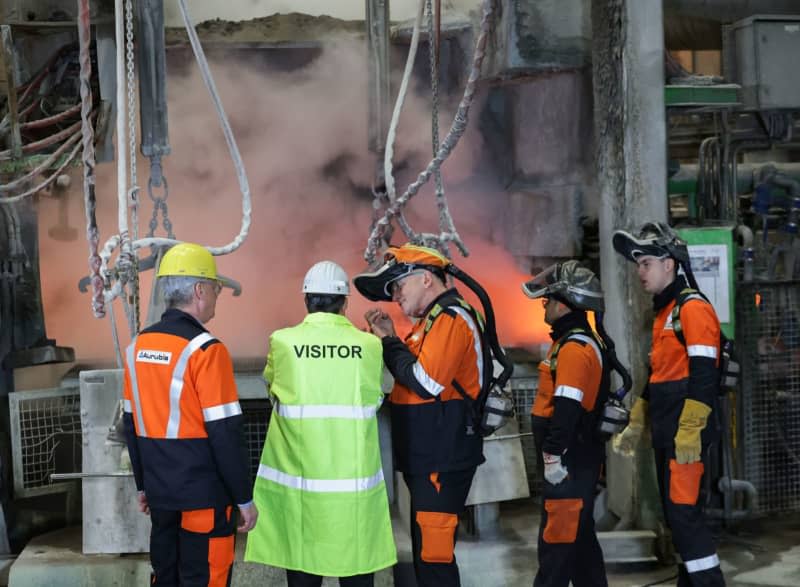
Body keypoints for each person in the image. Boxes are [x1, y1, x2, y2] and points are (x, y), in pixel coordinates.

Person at [245, 260, 396, 587]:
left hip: (300, 490)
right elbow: (373, 397)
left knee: (302, 569)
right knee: (356, 569)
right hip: (352, 493)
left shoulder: (282, 341)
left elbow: (273, 388)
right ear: (345, 303)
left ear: (306, 300)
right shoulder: (369, 345)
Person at [122, 242, 257, 586]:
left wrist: (143, 486)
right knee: (205, 577)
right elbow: (225, 433)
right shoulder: (207, 350)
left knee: (166, 577)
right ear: (199, 290)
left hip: (161, 496)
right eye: (215, 288)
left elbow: (131, 424)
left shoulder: (137, 347)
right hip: (204, 499)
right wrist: (243, 498)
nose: (216, 296)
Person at [355, 243, 485, 587]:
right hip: (430, 459)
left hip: (441, 459)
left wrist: (388, 342)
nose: (395, 296)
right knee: (429, 554)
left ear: (426, 279)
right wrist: (392, 339)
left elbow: (425, 382)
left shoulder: (451, 317)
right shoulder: (432, 322)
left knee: (434, 558)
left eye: (399, 285)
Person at [612, 222, 725, 586]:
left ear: (670, 265)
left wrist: (690, 430)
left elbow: (705, 374)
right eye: (638, 264)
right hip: (668, 436)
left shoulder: (692, 309)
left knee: (684, 516)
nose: (639, 272)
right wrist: (638, 419)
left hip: (685, 439)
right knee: (677, 516)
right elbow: (659, 375)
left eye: (646, 263)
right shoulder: (666, 313)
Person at [522, 260, 609, 587]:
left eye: (548, 300)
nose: (544, 305)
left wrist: (552, 456)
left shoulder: (574, 347)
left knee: (556, 548)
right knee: (582, 545)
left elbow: (567, 408)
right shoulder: (574, 341)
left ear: (563, 304)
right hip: (578, 460)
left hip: (569, 463)